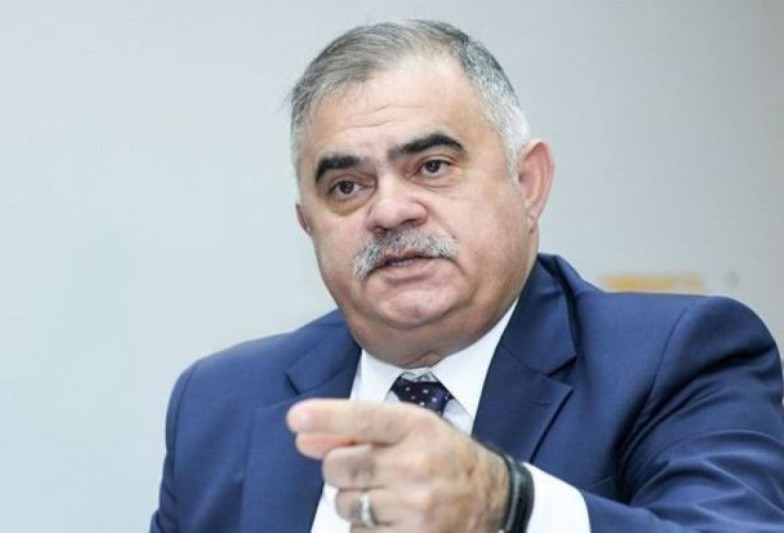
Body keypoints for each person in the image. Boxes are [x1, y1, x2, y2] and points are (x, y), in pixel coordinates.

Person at [150, 20, 784, 532]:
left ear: (527, 184)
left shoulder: (679, 357)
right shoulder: (218, 402)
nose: (390, 210)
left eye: (432, 166)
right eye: (346, 186)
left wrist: (506, 506)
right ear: (308, 224)